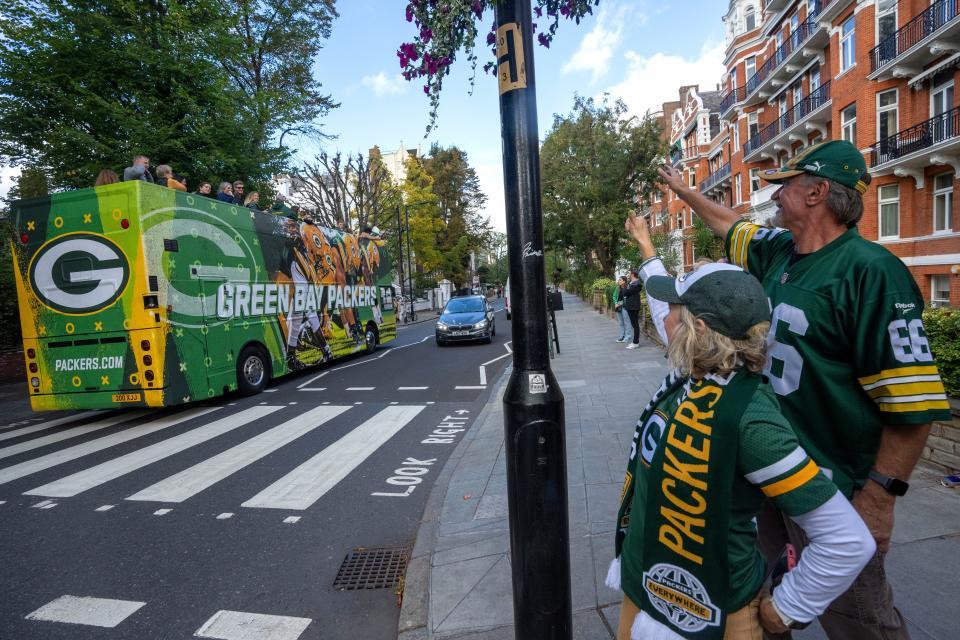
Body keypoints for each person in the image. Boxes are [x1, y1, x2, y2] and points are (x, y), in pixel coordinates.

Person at [657, 140, 951, 638]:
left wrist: (880, 499)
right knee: (765, 598)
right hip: (772, 471)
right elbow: (730, 226)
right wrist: (686, 192)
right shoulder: (777, 252)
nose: (774, 195)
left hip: (833, 487)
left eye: (785, 185)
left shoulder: (872, 272)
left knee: (860, 621)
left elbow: (913, 404)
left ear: (816, 193)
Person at [610, 212, 875, 640]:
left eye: (675, 310)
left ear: (697, 328)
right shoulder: (694, 373)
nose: (664, 319)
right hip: (648, 589)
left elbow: (846, 541)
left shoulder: (752, 417)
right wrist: (644, 243)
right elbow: (664, 304)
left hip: (716, 613)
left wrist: (787, 609)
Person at [621, 269, 643, 349]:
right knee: (634, 324)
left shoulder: (636, 284)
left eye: (629, 273)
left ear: (633, 274)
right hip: (631, 306)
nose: (628, 275)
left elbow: (627, 292)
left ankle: (636, 342)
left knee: (635, 325)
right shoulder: (632, 283)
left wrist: (624, 288)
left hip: (634, 306)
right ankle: (635, 341)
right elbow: (626, 292)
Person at [614, 275, 629, 343]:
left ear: (624, 281)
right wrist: (615, 303)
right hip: (618, 307)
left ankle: (627, 336)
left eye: (620, 280)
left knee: (627, 322)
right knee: (621, 323)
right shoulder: (617, 288)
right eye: (619, 280)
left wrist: (620, 303)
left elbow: (627, 298)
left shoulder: (627, 288)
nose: (618, 281)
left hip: (625, 307)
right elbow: (614, 296)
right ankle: (622, 336)